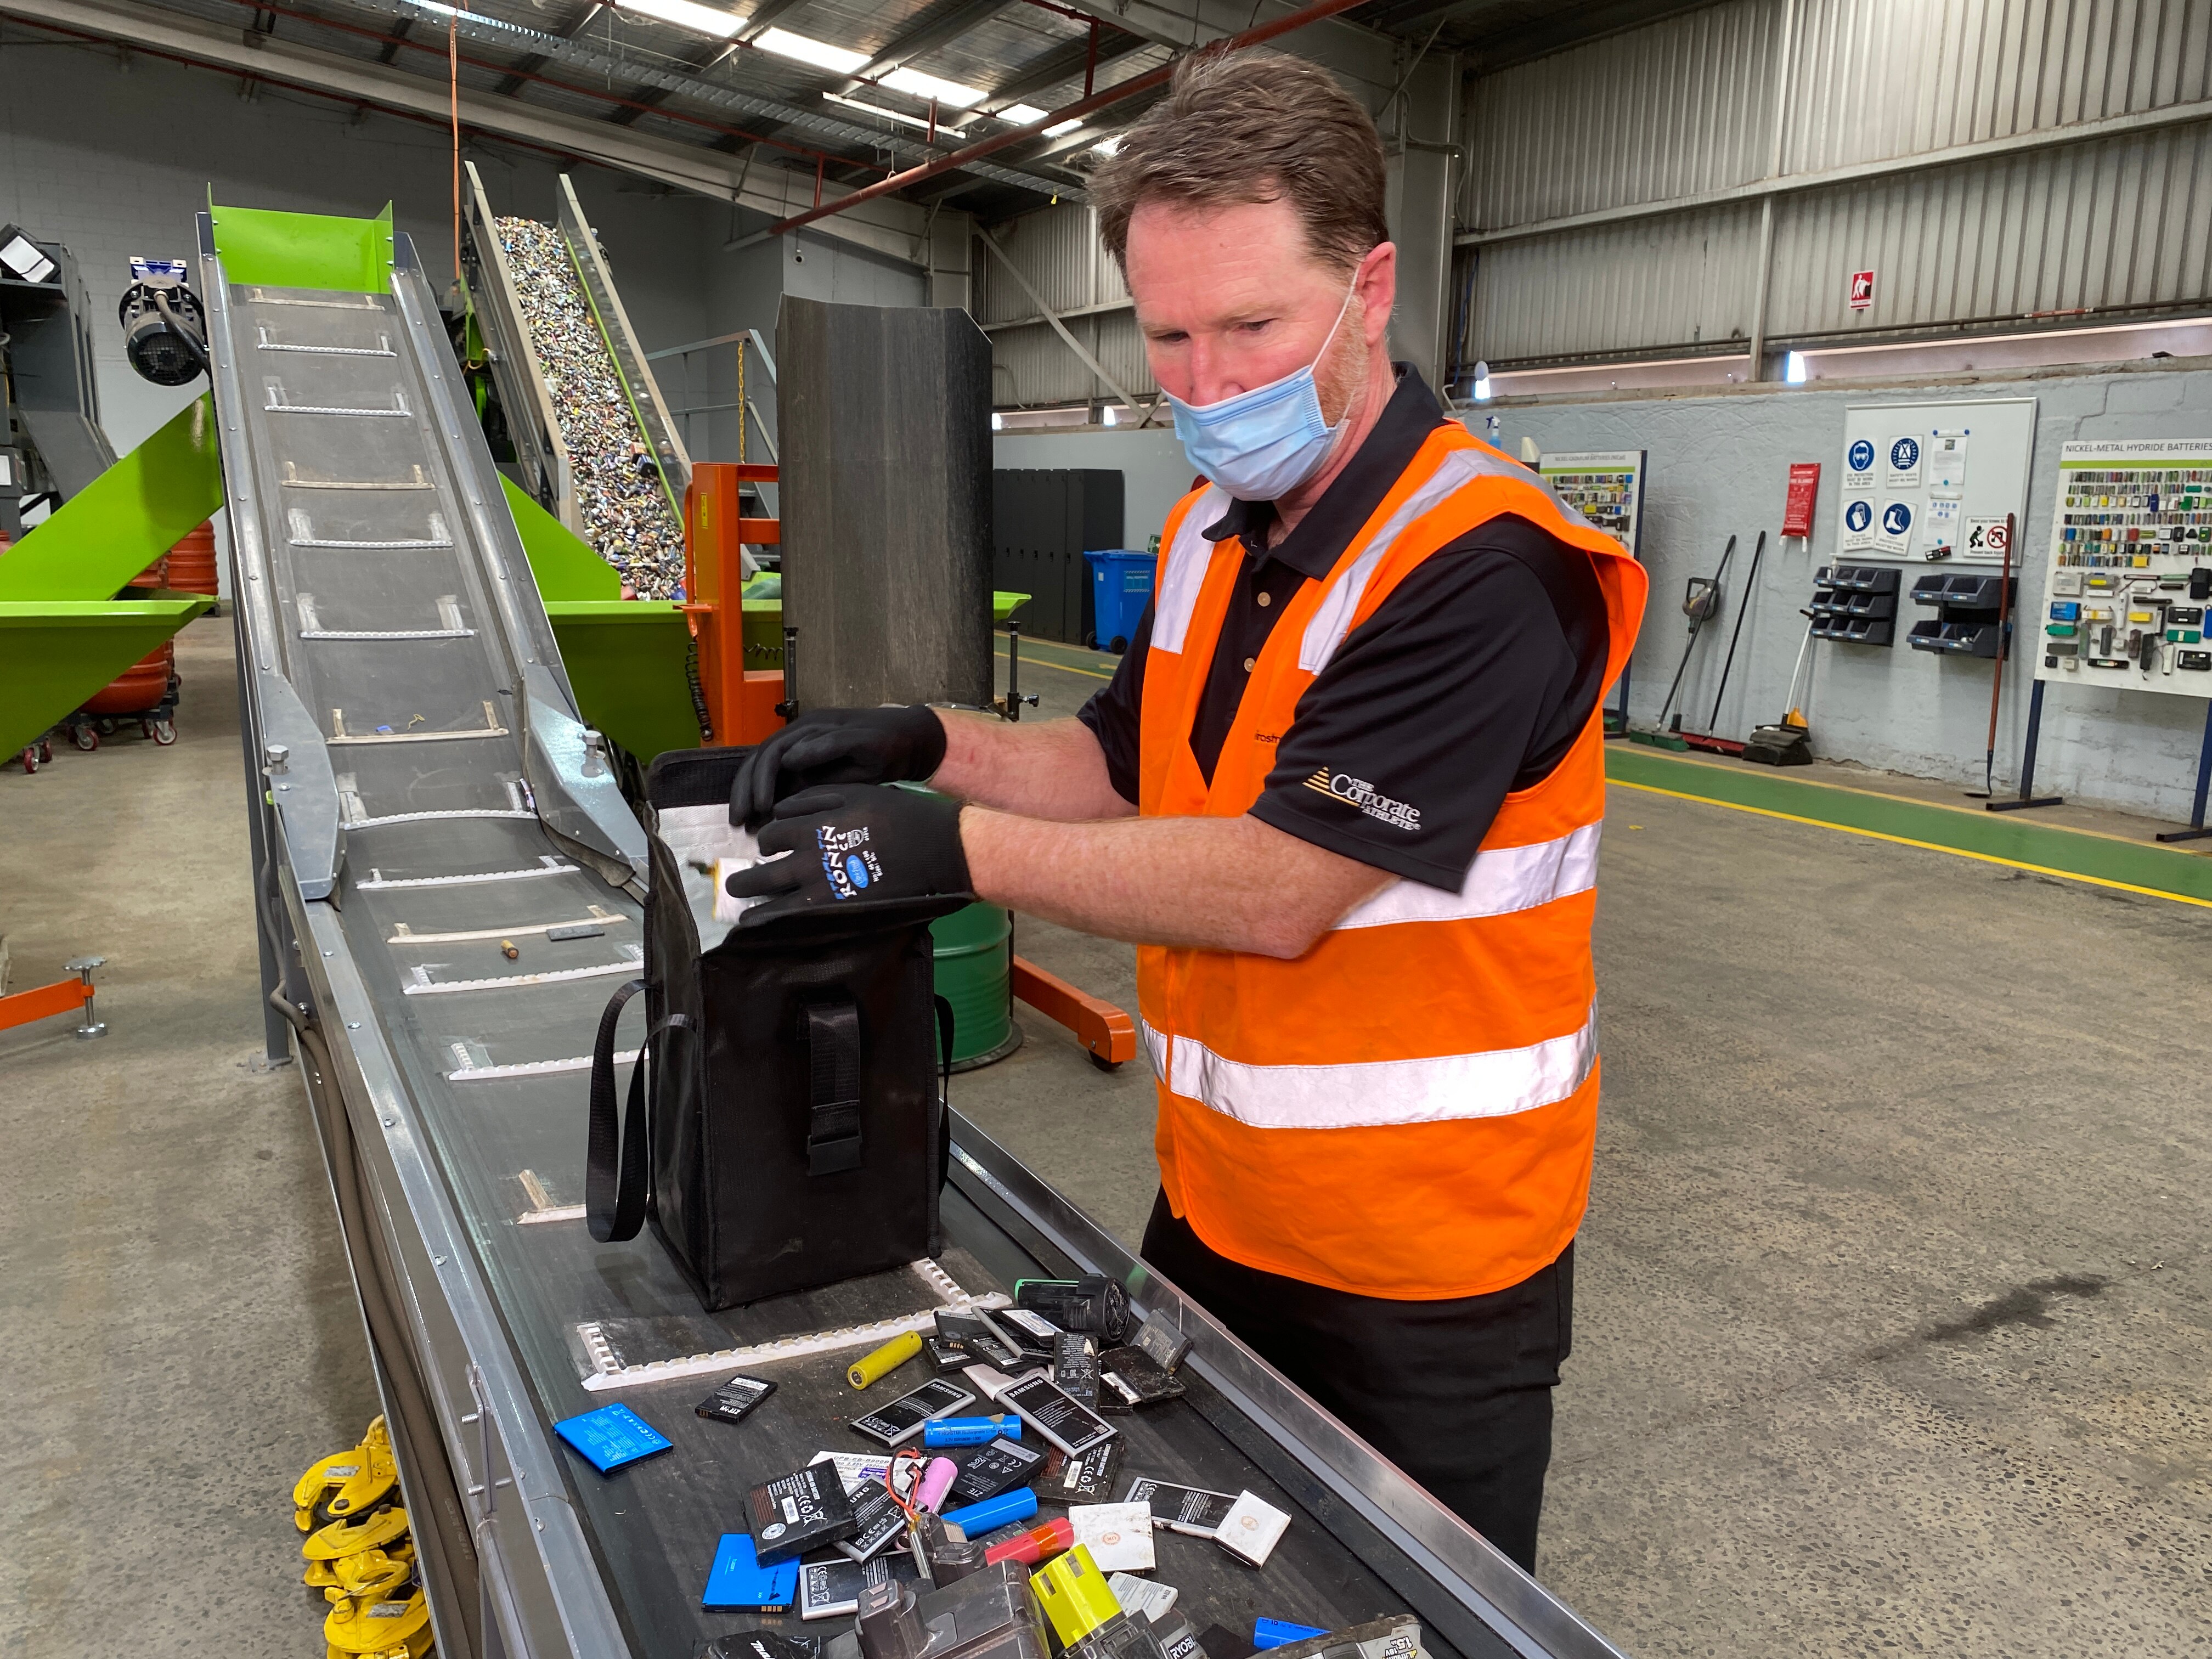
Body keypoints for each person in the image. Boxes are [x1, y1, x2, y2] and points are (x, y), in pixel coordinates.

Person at [727, 48, 1647, 1575]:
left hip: (1428, 1265)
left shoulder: (1488, 569)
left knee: (1410, 1614)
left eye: (1251, 328)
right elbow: (1117, 763)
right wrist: (915, 741)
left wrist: (942, 853)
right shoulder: (1219, 531)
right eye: (1167, 336)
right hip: (1219, 1211)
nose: (1208, 385)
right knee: (1193, 1580)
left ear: (1372, 289)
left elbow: (1278, 885)